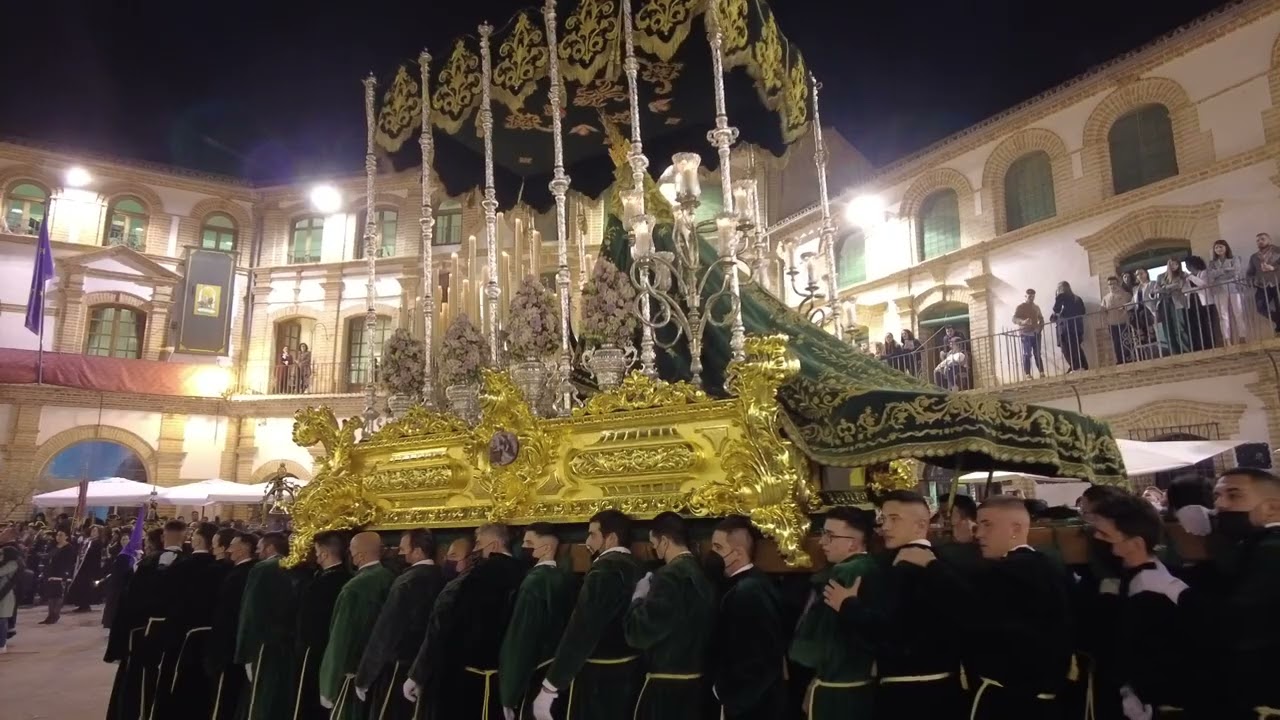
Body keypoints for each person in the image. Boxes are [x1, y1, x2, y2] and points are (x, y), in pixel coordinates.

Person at [826, 491, 965, 719]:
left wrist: (848, 605)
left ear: (921, 524)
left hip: (909, 695)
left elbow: (892, 631)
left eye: (894, 519)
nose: (885, 527)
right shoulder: (947, 562)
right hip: (946, 690)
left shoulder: (898, 568)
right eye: (883, 519)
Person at [954, 496, 1075, 720]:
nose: (978, 534)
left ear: (1016, 528)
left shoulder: (1015, 570)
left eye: (987, 524)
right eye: (978, 525)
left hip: (1012, 702)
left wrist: (955, 551)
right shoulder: (1044, 564)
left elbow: (968, 606)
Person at [1089, 493, 1201, 718]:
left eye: (1104, 534)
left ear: (1136, 543)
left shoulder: (1152, 593)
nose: (1094, 538)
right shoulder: (1138, 578)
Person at [532, 510, 645, 720]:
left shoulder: (604, 571)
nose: (587, 541)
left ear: (611, 538)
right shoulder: (638, 566)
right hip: (631, 672)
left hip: (598, 679)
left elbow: (582, 629)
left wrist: (550, 686)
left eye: (593, 534)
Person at [419, 523, 526, 719]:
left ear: (493, 545)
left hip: (471, 673)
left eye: (478, 543)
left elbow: (459, 624)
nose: (475, 549)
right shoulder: (524, 572)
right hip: (505, 673)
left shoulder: (481, 574)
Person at [791, 506, 881, 720]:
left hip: (837, 690)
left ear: (853, 542)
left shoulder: (844, 572)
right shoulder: (874, 567)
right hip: (864, 685)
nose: (822, 542)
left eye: (830, 536)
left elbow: (819, 637)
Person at [623, 512, 716, 720]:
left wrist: (638, 597)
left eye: (653, 542)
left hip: (666, 691)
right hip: (696, 687)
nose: (654, 549)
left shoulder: (669, 576)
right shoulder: (701, 573)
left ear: (664, 541)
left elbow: (638, 633)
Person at [1210, 467, 1280, 718]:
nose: (1220, 504)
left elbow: (1239, 616)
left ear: (1271, 508)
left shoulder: (1272, 549)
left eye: (1234, 495)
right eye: (1217, 496)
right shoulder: (1254, 544)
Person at [354, 529, 445, 720]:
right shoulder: (444, 578)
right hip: (429, 669)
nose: (400, 553)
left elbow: (385, 631)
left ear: (418, 551)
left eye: (404, 549)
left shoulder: (406, 582)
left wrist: (364, 676)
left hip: (398, 670)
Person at [706, 515, 788, 720]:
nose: (712, 554)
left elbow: (757, 657)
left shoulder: (748, 590)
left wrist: (725, 692)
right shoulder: (749, 584)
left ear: (738, 553)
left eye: (718, 548)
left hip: (752, 707)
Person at [500, 523, 577, 720]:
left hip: (535, 675)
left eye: (528, 542)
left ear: (546, 548)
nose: (522, 547)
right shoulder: (568, 579)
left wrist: (509, 694)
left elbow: (521, 639)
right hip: (563, 676)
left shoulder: (533, 583)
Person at [152, 522, 227, 720]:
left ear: (199, 540)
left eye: (194, 535)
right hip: (212, 635)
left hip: (181, 635)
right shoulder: (222, 568)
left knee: (175, 681)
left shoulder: (181, 566)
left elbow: (166, 599)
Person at [320, 531, 395, 720]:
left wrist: (328, 686)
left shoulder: (354, 588)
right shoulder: (391, 578)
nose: (350, 555)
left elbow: (340, 639)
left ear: (360, 555)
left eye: (352, 550)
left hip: (351, 678)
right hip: (380, 675)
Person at [403, 535, 476, 706]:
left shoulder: (453, 589)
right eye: (446, 556)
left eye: (453, 556)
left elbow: (436, 633)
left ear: (470, 559)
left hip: (446, 675)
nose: (446, 561)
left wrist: (417, 674)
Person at [235, 532, 297, 720]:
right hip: (288, 642)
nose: (257, 551)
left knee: (259, 698)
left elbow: (250, 611)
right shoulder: (295, 565)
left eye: (260, 547)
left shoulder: (262, 569)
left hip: (261, 643)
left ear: (270, 548)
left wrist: (243, 652)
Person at [292, 531, 352, 720]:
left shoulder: (320, 584)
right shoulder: (348, 578)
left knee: (310, 703)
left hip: (314, 652)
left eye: (317, 551)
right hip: (335, 651)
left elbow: (307, 623)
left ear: (325, 553)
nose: (315, 556)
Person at [204, 532, 258, 720]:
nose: (228, 550)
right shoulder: (247, 572)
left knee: (224, 696)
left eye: (233, 546)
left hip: (228, 646)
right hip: (237, 644)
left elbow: (226, 614)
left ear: (244, 549)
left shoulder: (238, 575)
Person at [39, 528, 75, 624]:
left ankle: (55, 615)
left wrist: (65, 574)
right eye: (57, 535)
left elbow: (70, 562)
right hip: (52, 573)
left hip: (61, 573)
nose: (58, 537)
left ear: (66, 536)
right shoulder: (54, 546)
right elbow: (49, 557)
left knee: (58, 594)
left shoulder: (69, 548)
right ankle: (50, 615)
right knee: (51, 595)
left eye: (61, 535)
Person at [67, 525, 104, 613]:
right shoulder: (88, 540)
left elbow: (94, 554)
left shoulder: (98, 542)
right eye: (92, 530)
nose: (93, 532)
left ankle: (85, 605)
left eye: (95, 531)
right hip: (83, 566)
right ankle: (81, 604)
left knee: (86, 586)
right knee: (80, 585)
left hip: (91, 567)